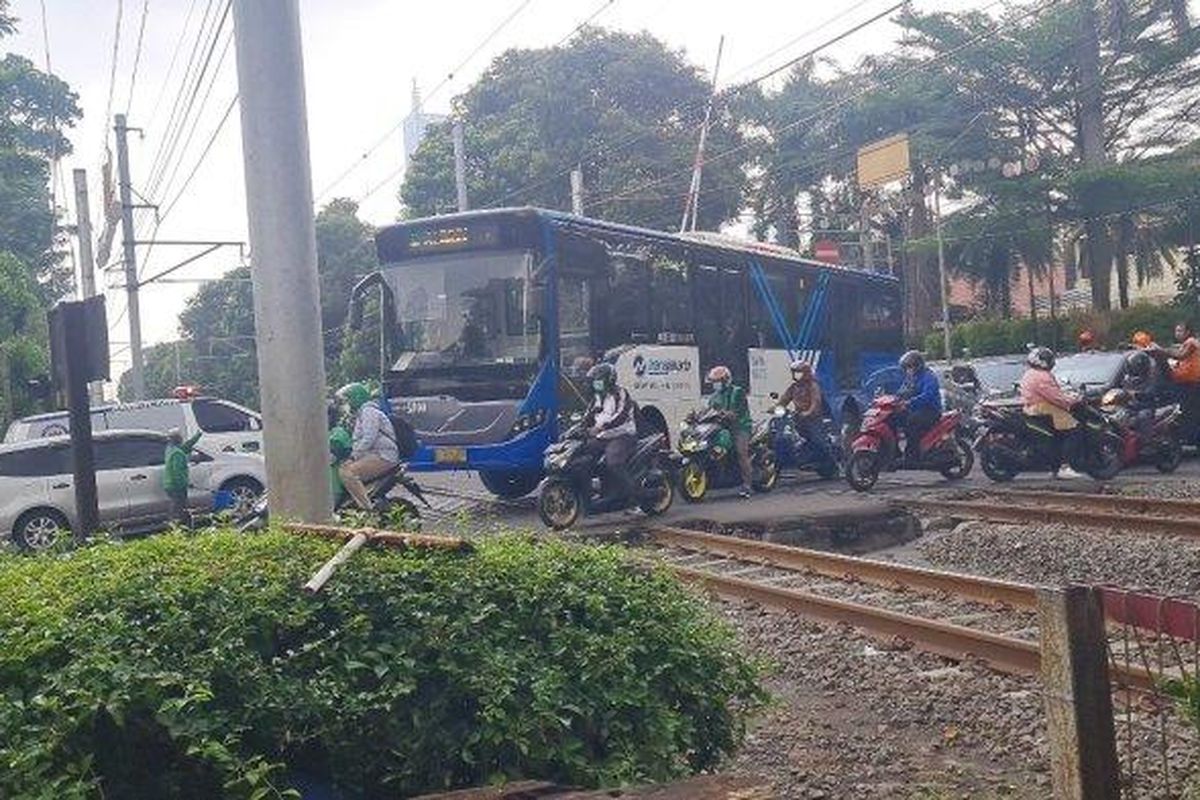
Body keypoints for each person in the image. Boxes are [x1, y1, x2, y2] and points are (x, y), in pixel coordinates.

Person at [335, 382, 400, 511]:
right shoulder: (361, 414)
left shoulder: (369, 412)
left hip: (384, 455)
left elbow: (369, 438)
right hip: (375, 454)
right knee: (343, 467)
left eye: (347, 401)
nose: (346, 405)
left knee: (347, 473)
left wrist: (354, 457)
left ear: (356, 398)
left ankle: (366, 509)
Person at [1018, 347, 1079, 473]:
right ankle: (1065, 465)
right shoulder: (1042, 376)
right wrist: (1073, 400)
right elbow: (1055, 397)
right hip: (1044, 408)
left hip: (1032, 408)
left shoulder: (1030, 373)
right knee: (1073, 429)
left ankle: (1056, 465)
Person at [585, 362, 638, 503]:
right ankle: (596, 491)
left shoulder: (621, 393)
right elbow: (589, 415)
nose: (596, 383)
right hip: (603, 436)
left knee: (613, 462)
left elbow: (621, 416)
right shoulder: (598, 397)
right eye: (595, 381)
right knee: (581, 454)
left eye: (599, 380)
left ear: (608, 379)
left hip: (623, 435)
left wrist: (602, 427)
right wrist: (579, 428)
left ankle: (633, 495)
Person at [707, 365, 754, 498]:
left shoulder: (737, 392)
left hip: (740, 427)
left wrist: (727, 414)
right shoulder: (714, 396)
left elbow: (737, 412)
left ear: (726, 380)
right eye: (714, 382)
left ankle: (747, 485)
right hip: (722, 427)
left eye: (718, 382)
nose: (715, 385)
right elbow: (709, 411)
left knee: (741, 453)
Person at [776, 360, 831, 463]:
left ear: (806, 372)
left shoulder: (813, 386)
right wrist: (775, 408)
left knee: (818, 441)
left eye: (800, 372)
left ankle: (829, 461)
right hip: (798, 417)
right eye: (795, 372)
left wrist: (808, 412)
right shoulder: (794, 387)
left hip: (813, 418)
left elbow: (816, 402)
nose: (797, 375)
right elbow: (784, 400)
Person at [896, 350, 942, 461]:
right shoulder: (911, 378)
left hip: (930, 411)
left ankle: (913, 454)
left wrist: (909, 403)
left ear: (917, 365)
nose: (908, 370)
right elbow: (901, 392)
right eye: (906, 367)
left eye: (910, 366)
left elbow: (927, 396)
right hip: (916, 409)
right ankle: (894, 452)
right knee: (893, 418)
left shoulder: (929, 377)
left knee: (912, 422)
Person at [163, 428, 202, 527]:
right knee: (179, 507)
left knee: (177, 506)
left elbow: (186, 446)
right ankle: (178, 527)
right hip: (176, 485)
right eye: (180, 437)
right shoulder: (178, 454)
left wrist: (196, 437)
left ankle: (179, 525)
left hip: (170, 484)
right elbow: (178, 472)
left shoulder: (170, 449)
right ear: (178, 439)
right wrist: (185, 483)